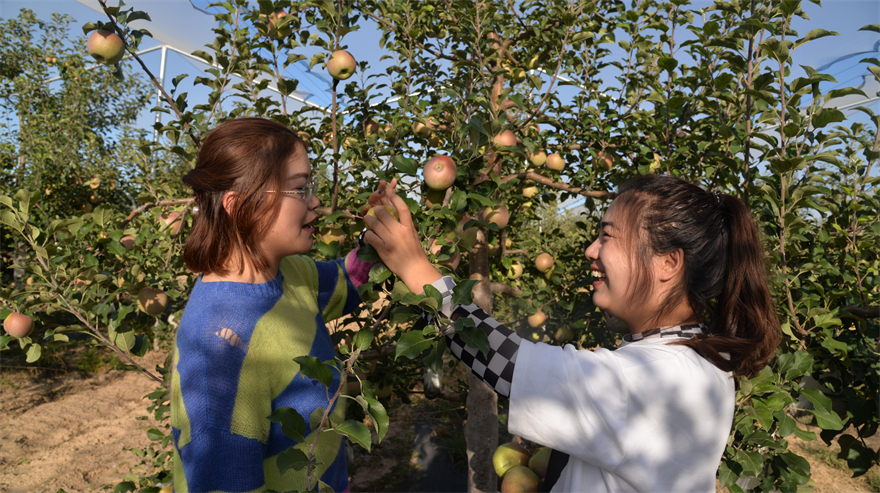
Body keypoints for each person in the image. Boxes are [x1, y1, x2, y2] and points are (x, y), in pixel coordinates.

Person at [363, 174, 781, 493]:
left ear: (668, 264)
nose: (591, 251)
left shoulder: (657, 378)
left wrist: (417, 270)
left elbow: (507, 364)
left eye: (607, 237)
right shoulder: (687, 354)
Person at [171, 117, 387, 493]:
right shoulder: (220, 354)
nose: (316, 201)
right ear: (239, 206)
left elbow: (346, 280)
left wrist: (387, 241)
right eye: (300, 189)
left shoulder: (290, 273)